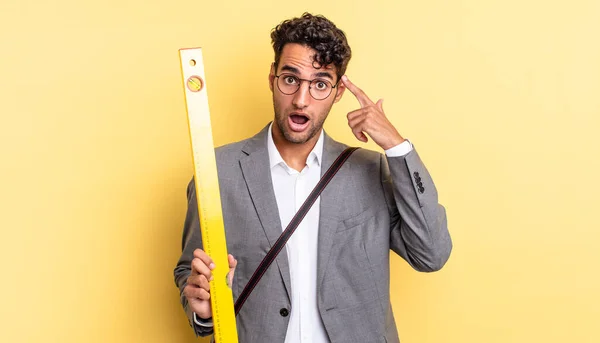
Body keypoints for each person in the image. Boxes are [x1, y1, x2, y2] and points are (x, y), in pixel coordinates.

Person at [174, 12, 452, 343]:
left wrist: (396, 146)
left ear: (337, 93)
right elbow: (189, 269)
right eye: (290, 79)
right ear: (272, 79)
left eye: (320, 84)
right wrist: (203, 311)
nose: (301, 99)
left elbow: (431, 254)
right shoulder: (218, 170)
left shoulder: (371, 171)